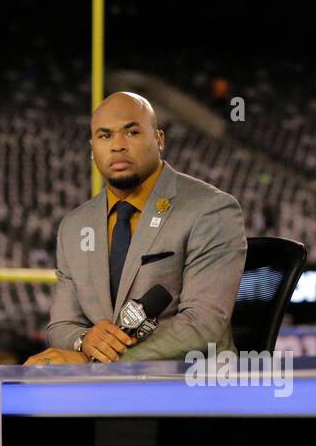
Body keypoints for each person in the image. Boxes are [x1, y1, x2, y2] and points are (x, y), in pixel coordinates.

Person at [27, 91, 246, 365]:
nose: (117, 145)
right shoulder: (74, 226)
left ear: (159, 139)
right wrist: (84, 341)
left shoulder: (210, 209)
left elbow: (203, 328)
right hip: (105, 395)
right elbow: (62, 326)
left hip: (189, 389)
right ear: (92, 147)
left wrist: (101, 365)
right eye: (105, 136)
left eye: (131, 132)